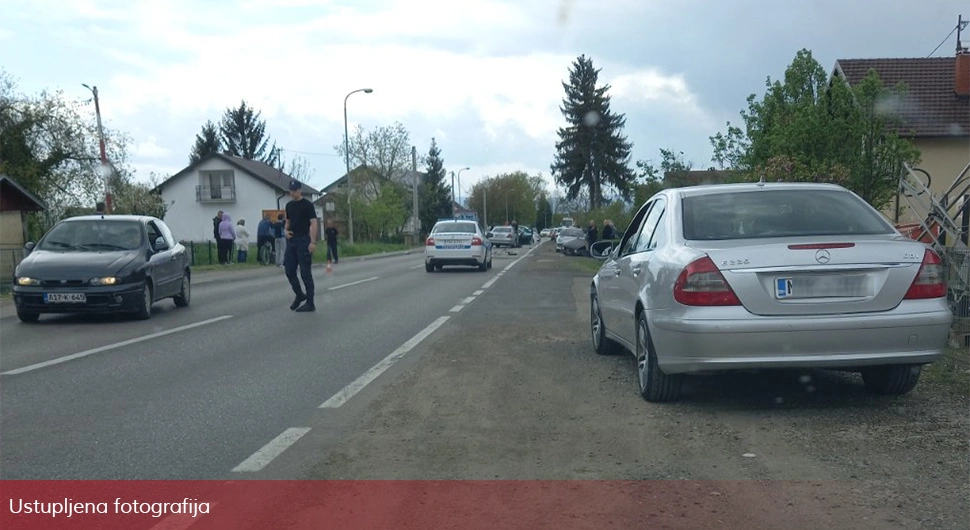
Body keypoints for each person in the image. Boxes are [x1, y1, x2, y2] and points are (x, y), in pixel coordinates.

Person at [284, 180, 318, 312]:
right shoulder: (289, 205)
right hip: (292, 241)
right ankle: (299, 294)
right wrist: (285, 231)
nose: (292, 193)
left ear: (300, 190)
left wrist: (312, 241)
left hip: (304, 240)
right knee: (289, 270)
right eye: (291, 190)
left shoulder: (307, 205)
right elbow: (287, 222)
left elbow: (313, 223)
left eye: (294, 190)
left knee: (305, 273)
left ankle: (310, 303)